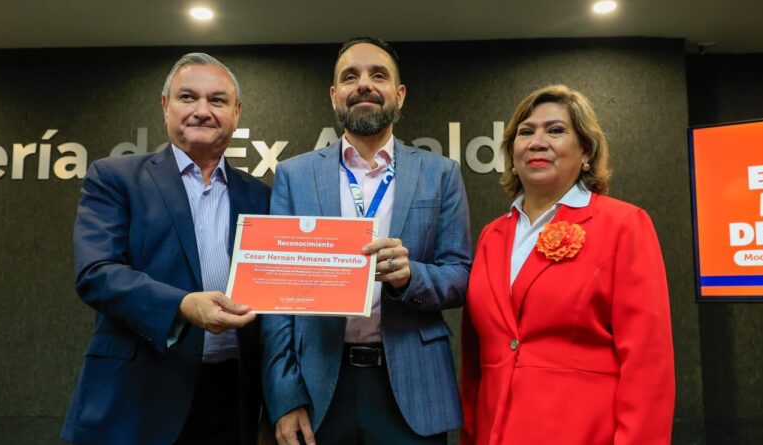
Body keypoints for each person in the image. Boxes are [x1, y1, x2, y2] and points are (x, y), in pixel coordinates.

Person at [262, 37, 472, 445]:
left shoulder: (440, 173)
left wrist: (410, 276)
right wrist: (285, 397)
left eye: (378, 75)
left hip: (413, 386)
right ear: (334, 96)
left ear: (400, 94)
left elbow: (460, 275)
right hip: (319, 385)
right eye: (350, 77)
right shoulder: (294, 175)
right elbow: (276, 298)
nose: (364, 84)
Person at [61, 53, 271, 445]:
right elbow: (96, 273)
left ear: (237, 112)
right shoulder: (115, 178)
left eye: (218, 100)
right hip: (137, 397)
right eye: (188, 97)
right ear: (165, 105)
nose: (202, 111)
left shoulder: (260, 195)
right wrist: (182, 306)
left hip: (231, 402)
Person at [460, 85, 675, 444]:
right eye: (526, 132)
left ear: (586, 151)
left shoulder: (623, 225)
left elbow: (648, 364)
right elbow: (474, 360)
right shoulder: (491, 236)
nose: (537, 142)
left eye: (556, 130)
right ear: (511, 152)